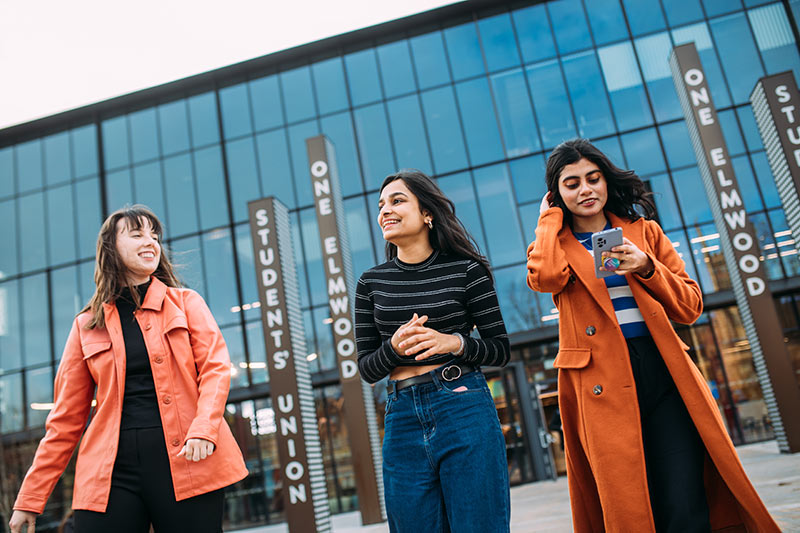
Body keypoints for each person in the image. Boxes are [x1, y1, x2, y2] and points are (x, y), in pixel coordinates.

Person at [526, 139, 778, 532]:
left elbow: (691, 306)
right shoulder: (552, 246)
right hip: (600, 382)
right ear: (556, 193)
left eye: (593, 179)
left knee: (683, 495)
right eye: (571, 183)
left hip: (663, 373)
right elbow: (543, 280)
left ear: (606, 181)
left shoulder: (644, 233)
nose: (585, 190)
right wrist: (547, 222)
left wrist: (647, 267)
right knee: (628, 505)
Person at [10, 205, 248, 533]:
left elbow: (216, 369)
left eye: (155, 236)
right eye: (137, 234)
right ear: (111, 249)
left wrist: (204, 428)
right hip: (110, 475)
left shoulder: (186, 303)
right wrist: (30, 497)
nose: (150, 242)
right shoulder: (86, 326)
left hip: (188, 461)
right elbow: (65, 419)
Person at [355, 170, 511, 533]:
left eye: (397, 201)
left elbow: (500, 350)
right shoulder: (369, 283)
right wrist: (393, 348)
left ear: (427, 213)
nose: (385, 211)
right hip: (401, 416)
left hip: (463, 406)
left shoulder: (466, 271)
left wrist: (453, 343)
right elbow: (367, 368)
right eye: (381, 205)